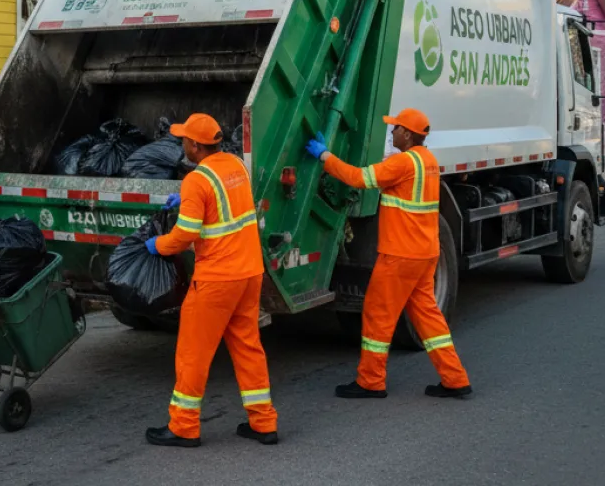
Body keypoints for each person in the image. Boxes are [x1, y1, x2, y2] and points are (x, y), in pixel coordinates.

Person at [306, 109, 472, 400]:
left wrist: (325, 156)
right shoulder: (428, 162)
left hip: (400, 255)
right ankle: (455, 378)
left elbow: (358, 178)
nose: (392, 132)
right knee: (429, 317)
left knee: (377, 314)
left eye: (395, 128)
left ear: (407, 134)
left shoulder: (402, 163)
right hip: (425, 253)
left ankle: (371, 381)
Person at [142, 113, 278, 448]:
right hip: (250, 273)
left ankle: (184, 426)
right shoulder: (236, 165)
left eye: (184, 140)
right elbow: (225, 205)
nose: (181, 144)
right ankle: (263, 423)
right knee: (248, 347)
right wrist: (187, 201)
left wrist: (158, 245)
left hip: (217, 279)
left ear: (195, 145)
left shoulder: (197, 180)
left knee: (193, 352)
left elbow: (185, 235)